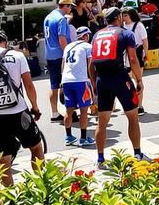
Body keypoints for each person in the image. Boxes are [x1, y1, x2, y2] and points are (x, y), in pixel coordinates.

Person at [0, 30, 45, 185]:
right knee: (36, 148)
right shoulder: (17, 56)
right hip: (19, 113)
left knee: (3, 160)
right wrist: (35, 107)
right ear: (6, 42)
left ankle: (10, 198)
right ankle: (42, 186)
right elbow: (29, 85)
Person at [91, 13, 147, 165]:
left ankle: (100, 158)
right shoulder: (125, 33)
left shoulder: (97, 35)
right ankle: (137, 153)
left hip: (102, 79)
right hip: (120, 78)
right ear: (119, 17)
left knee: (102, 121)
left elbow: (92, 63)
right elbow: (133, 58)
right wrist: (139, 79)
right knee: (133, 117)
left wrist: (94, 82)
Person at [60, 26, 95, 147]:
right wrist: (93, 81)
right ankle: (83, 138)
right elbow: (91, 64)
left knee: (69, 110)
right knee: (84, 110)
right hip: (81, 80)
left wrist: (61, 81)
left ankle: (68, 136)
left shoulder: (68, 47)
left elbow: (63, 64)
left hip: (66, 80)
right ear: (86, 36)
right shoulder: (87, 46)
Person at [43, 0, 74, 122]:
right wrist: (68, 53)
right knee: (66, 83)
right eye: (70, 6)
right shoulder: (61, 19)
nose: (71, 9)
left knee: (54, 84)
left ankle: (54, 112)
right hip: (60, 54)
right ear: (65, 6)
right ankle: (69, 112)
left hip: (49, 53)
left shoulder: (49, 17)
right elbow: (62, 39)